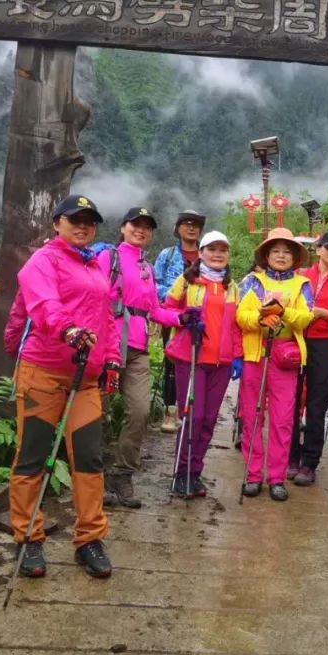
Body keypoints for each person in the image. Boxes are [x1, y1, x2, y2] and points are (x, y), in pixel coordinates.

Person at [8, 194, 119, 579]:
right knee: (33, 456)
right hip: (44, 372)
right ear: (57, 223)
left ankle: (89, 539)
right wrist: (68, 330)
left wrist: (111, 359)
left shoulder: (96, 267)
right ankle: (28, 539)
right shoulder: (43, 260)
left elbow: (107, 319)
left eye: (90, 220)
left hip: (85, 378)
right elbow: (43, 305)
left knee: (89, 458)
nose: (83, 225)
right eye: (75, 219)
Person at [95, 207, 186, 510]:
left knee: (140, 411)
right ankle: (94, 477)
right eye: (136, 224)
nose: (141, 230)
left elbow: (154, 310)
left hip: (137, 348)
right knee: (98, 413)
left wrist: (183, 318)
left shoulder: (146, 267)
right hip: (106, 345)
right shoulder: (109, 258)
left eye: (147, 227)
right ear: (123, 227)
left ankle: (122, 473)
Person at [162, 230, 243, 498]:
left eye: (223, 250)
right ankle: (180, 473)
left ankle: (195, 473)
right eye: (212, 249)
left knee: (208, 420)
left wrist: (238, 356)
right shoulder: (186, 282)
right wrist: (184, 318)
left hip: (220, 361)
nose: (218, 254)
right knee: (193, 418)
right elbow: (164, 311)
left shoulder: (233, 287)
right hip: (191, 358)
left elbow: (236, 327)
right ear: (201, 253)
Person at [236, 228, 314, 501]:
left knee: (282, 419)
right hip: (255, 353)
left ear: (294, 257)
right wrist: (259, 318)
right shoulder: (252, 281)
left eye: (286, 251)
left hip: (285, 356)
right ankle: (253, 474)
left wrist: (283, 312)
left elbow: (305, 318)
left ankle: (277, 477)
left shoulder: (302, 284)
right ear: (266, 255)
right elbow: (241, 315)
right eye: (275, 251)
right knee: (252, 414)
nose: (281, 256)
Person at [289, 231, 328, 485]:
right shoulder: (301, 275)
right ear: (318, 250)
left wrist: (324, 312)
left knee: (317, 402)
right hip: (295, 338)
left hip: (324, 343)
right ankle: (290, 457)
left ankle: (309, 462)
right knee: (291, 400)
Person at [154, 209, 207, 434]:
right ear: (177, 228)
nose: (191, 227)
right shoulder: (167, 255)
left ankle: (192, 411)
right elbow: (155, 285)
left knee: (199, 363)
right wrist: (176, 297)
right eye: (186, 223)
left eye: (195, 224)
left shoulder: (207, 256)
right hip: (174, 318)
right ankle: (170, 412)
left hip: (201, 319)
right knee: (173, 364)